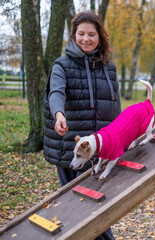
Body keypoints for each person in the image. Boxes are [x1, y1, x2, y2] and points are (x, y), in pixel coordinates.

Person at [43, 11, 121, 240]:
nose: (86, 39)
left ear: (100, 36)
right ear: (73, 35)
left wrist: (120, 138)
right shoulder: (62, 65)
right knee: (81, 206)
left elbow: (115, 107)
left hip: (102, 148)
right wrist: (59, 114)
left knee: (98, 206)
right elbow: (55, 92)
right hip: (71, 146)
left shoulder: (109, 67)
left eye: (91, 34)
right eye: (81, 34)